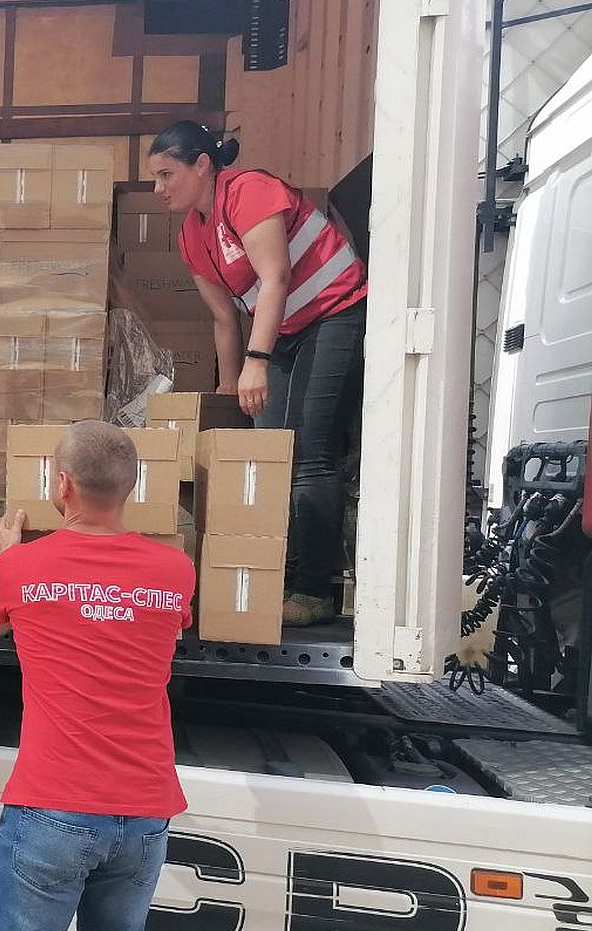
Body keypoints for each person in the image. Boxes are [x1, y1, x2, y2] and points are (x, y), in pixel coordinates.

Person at [0, 420, 194, 931]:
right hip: (145, 810)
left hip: (53, 803)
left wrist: (5, 554)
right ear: (131, 485)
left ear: (63, 485)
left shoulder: (22, 566)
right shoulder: (175, 570)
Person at [149, 120, 367, 627]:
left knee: (310, 452)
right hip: (282, 332)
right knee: (270, 452)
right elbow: (224, 316)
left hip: (334, 313)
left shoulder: (251, 191)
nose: (158, 189)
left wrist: (257, 362)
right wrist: (230, 383)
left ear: (202, 165)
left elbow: (276, 277)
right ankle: (277, 577)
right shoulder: (191, 235)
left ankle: (313, 591)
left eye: (166, 175)